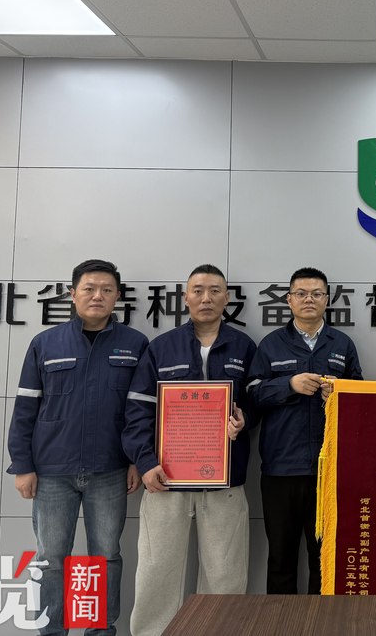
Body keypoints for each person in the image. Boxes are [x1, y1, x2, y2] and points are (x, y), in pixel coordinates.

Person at [7, 259, 148, 635]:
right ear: (73, 294)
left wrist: (137, 460)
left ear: (117, 296)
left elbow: (141, 410)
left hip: (110, 469)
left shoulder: (135, 344)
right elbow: (25, 408)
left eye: (106, 289)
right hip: (52, 471)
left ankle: (99, 631)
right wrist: (22, 465)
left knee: (105, 557)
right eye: (89, 288)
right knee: (51, 558)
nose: (97, 296)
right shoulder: (46, 343)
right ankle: (52, 630)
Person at [122, 264, 256, 636]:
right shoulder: (161, 347)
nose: (206, 298)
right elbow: (137, 411)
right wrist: (145, 462)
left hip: (225, 482)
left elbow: (257, 403)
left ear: (227, 298)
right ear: (185, 297)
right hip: (166, 480)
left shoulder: (244, 347)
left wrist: (244, 420)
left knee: (226, 575)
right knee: (156, 572)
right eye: (197, 290)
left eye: (214, 290)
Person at [249, 267, 363, 594]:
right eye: (301, 294)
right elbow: (253, 394)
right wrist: (289, 384)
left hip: (328, 471)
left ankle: (320, 621)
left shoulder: (342, 344)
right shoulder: (271, 344)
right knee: (280, 558)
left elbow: (361, 398)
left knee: (324, 559)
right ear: (289, 300)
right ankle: (280, 621)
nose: (308, 299)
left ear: (328, 299)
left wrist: (340, 393)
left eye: (316, 294)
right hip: (280, 469)